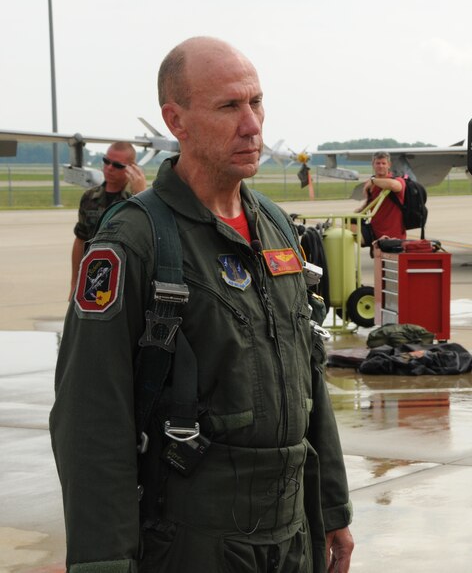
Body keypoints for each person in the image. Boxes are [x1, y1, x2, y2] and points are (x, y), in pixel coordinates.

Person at [50, 37, 354, 572]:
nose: (253, 124)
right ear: (177, 120)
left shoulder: (278, 228)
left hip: (290, 535)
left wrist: (331, 505)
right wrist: (103, 562)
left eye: (256, 102)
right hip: (191, 539)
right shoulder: (133, 242)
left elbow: (310, 375)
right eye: (229, 106)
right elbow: (90, 418)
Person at [69, 141, 146, 298]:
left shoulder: (137, 199)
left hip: (125, 280)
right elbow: (80, 240)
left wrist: (140, 196)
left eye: (117, 165)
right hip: (92, 276)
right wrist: (74, 283)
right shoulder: (89, 197)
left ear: (132, 168)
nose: (109, 168)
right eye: (106, 161)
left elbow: (147, 236)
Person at [356, 151, 406, 242]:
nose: (381, 166)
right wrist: (358, 212)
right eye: (378, 163)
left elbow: (395, 186)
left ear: (389, 165)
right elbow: (370, 203)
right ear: (373, 165)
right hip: (375, 232)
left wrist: (373, 181)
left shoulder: (398, 180)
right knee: (348, 225)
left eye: (383, 163)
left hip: (394, 234)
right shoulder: (370, 185)